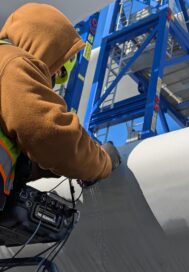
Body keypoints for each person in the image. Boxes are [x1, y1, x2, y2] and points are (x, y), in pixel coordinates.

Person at [0, 3, 121, 209]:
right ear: (45, 44)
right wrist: (103, 161)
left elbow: (29, 145)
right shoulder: (13, 62)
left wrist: (46, 167)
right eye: (56, 70)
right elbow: (51, 136)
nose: (52, 83)